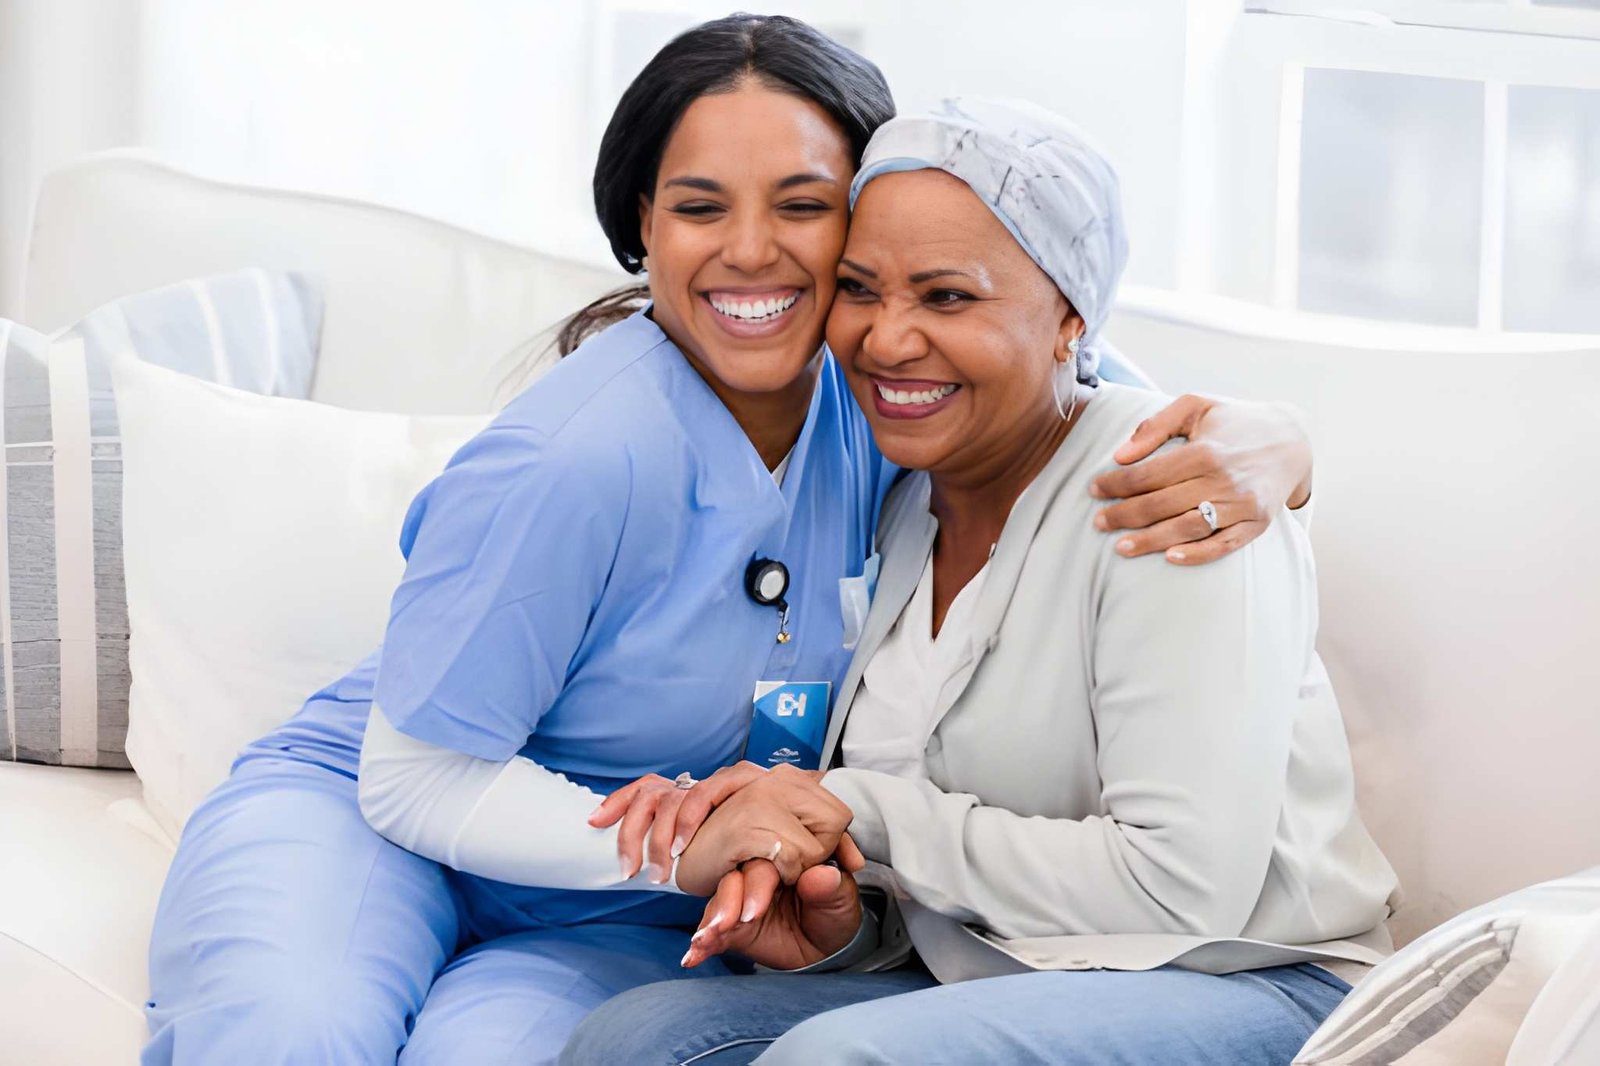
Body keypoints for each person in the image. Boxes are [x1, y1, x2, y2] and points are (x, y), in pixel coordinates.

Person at [142, 19, 1320, 1066]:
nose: (752, 252)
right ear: (641, 227)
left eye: (803, 206)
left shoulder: (885, 399)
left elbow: (1082, 382)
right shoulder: (574, 456)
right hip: (395, 819)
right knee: (290, 1037)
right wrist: (695, 844)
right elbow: (413, 775)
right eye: (700, 207)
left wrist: (1277, 444)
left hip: (623, 903)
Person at [562, 98, 1399, 1066]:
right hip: (995, 979)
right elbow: (956, 879)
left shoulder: (1169, 494)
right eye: (860, 288)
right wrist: (838, 930)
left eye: (947, 297)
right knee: (635, 1039)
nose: (886, 339)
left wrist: (852, 809)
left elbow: (1179, 887)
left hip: (1249, 980)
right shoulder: (901, 499)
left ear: (1070, 319)